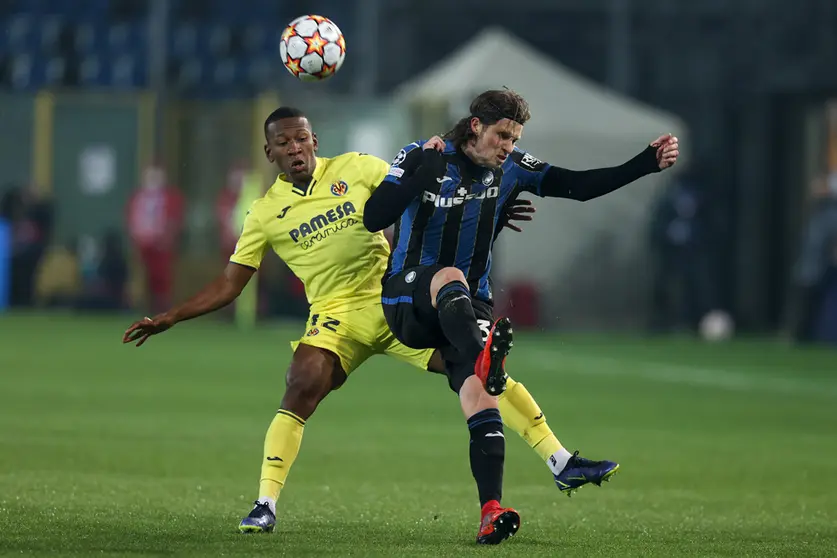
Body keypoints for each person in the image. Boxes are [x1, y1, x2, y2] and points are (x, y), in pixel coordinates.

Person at [122, 107, 578, 544]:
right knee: (300, 384)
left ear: (315, 141)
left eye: (302, 138)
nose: (295, 148)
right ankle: (265, 503)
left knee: (475, 367)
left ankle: (558, 459)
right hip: (335, 317)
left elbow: (420, 193)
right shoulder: (264, 213)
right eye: (284, 142)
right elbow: (229, 284)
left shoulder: (359, 168)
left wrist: (489, 207)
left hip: (392, 300)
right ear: (270, 153)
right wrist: (171, 317)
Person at [364, 89, 680, 543]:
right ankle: (484, 359)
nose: (508, 146)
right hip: (407, 298)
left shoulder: (512, 168)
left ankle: (491, 511)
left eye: (514, 138)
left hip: (466, 306)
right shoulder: (423, 154)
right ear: (476, 126)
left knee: (481, 399)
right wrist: (420, 178)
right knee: (451, 280)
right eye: (502, 136)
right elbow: (374, 217)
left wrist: (644, 164)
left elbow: (578, 187)